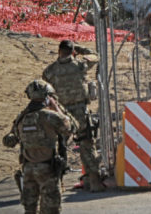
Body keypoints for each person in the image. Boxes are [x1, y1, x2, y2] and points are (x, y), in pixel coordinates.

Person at [3, 80, 76, 214]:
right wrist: (57, 108)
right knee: (50, 209)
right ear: (48, 97)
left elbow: (9, 140)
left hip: (28, 169)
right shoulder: (50, 116)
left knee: (30, 209)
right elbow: (72, 127)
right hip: (48, 169)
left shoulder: (22, 118)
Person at [41, 40, 104, 192]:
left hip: (60, 112)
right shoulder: (80, 65)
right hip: (80, 111)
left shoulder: (50, 71)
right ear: (72, 51)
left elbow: (45, 86)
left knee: (59, 147)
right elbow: (95, 56)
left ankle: (58, 184)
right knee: (87, 144)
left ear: (59, 51)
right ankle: (94, 181)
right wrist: (80, 49)